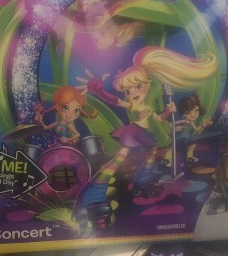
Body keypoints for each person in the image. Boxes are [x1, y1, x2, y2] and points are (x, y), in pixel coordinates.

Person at [74, 46, 218, 227]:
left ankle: (141, 180)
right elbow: (115, 101)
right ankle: (93, 192)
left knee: (153, 152)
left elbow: (159, 118)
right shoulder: (133, 105)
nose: (132, 93)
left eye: (137, 87)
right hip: (134, 132)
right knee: (120, 158)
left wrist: (168, 111)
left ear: (147, 84)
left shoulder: (147, 106)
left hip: (145, 134)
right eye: (127, 91)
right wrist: (100, 91)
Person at [175, 93, 213, 166]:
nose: (193, 115)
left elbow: (196, 129)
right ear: (183, 112)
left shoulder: (190, 121)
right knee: (185, 145)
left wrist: (204, 125)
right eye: (189, 113)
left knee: (193, 142)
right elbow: (170, 125)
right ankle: (182, 160)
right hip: (178, 137)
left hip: (186, 136)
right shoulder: (182, 120)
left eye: (196, 111)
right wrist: (175, 129)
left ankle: (189, 156)